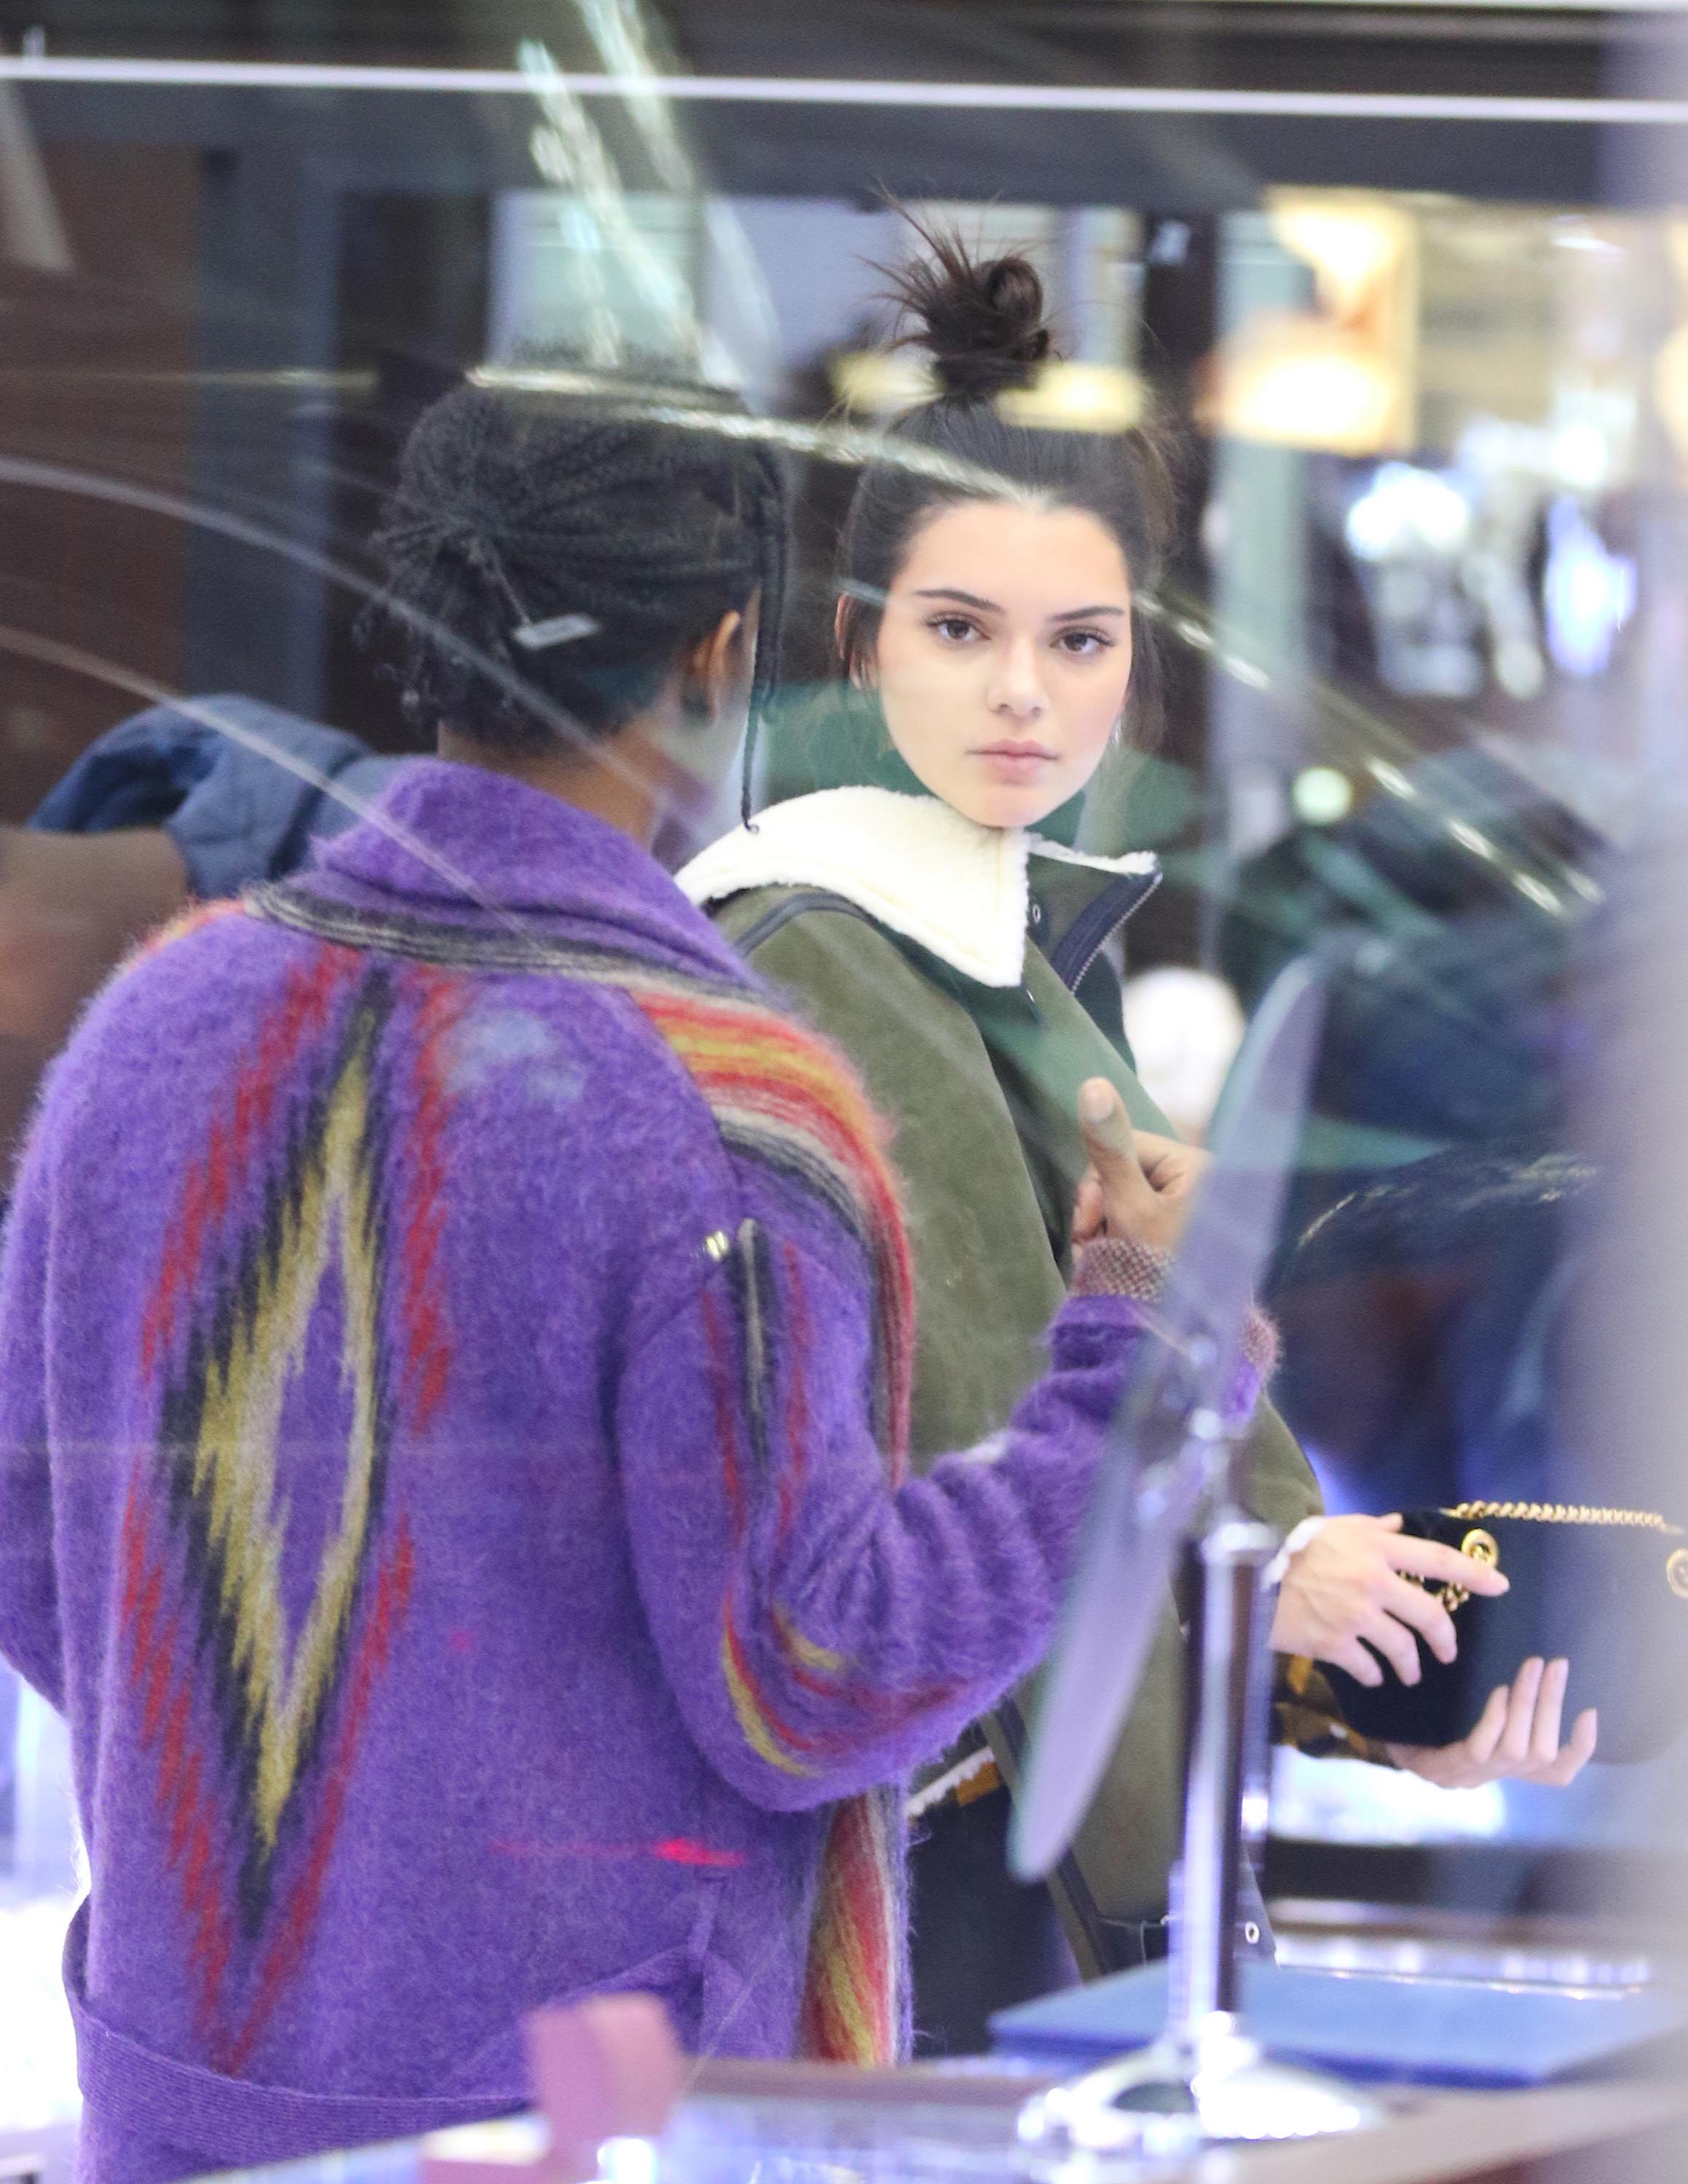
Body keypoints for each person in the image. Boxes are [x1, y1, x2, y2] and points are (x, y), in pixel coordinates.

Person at [0, 376, 1295, 2184]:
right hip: (591, 2115)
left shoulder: (158, 1021)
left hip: (183, 2085)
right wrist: (1134, 1362)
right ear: (731, 650)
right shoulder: (714, 1110)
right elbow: (814, 1673)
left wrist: (336, 1802)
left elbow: (49, 1562)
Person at [675, 229, 1595, 2041]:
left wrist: (1355, 1660)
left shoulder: (998, 952)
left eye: (1077, 639)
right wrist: (1273, 1581)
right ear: (857, 644)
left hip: (1033, 1894)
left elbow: (1113, 1435)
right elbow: (942, 1478)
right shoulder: (817, 957)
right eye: (961, 629)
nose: (1025, 692)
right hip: (911, 1911)